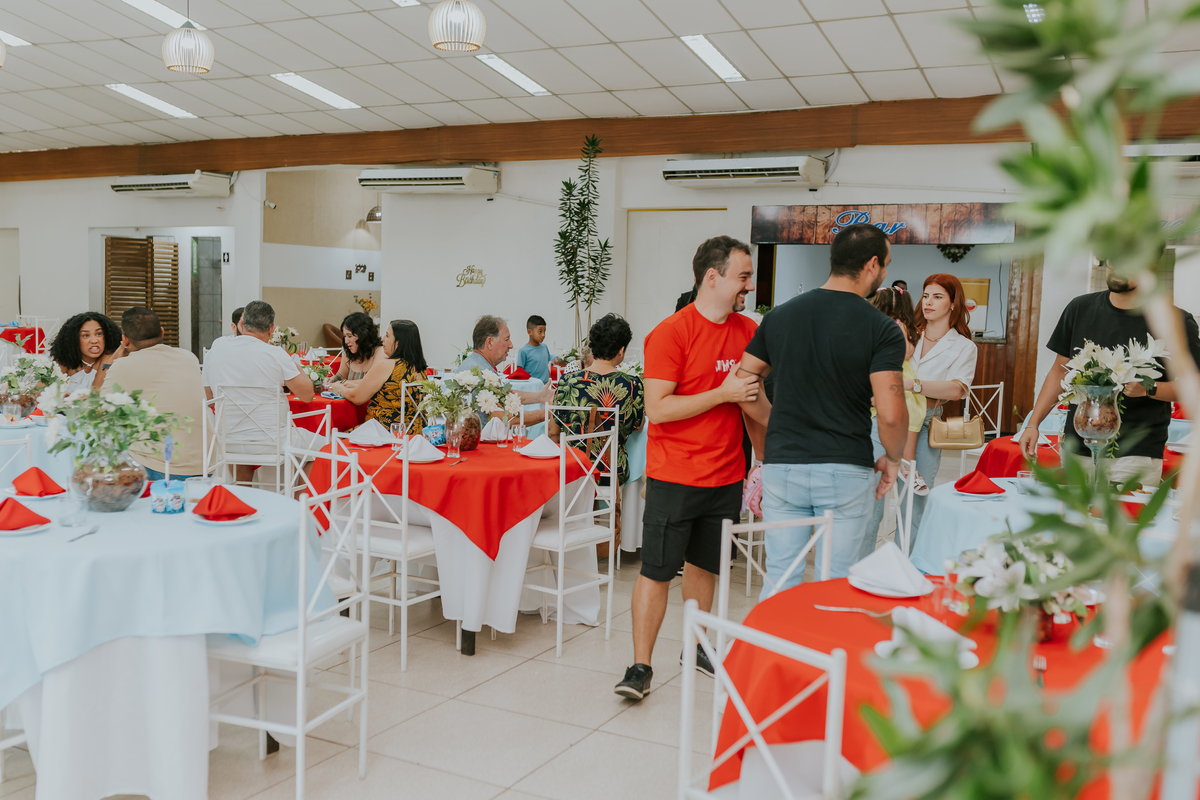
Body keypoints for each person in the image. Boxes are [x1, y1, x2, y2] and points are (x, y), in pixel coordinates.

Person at [614, 235, 762, 702]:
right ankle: (640, 665)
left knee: (705, 566)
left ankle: (696, 646)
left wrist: (769, 459)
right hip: (675, 475)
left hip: (725, 476)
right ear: (712, 277)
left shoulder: (747, 332)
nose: (749, 287)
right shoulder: (672, 332)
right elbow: (658, 409)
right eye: (743, 276)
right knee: (657, 570)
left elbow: (754, 404)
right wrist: (723, 393)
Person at [738, 224, 907, 595]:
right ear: (873, 264)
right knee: (836, 581)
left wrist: (776, 418)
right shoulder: (881, 329)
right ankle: (824, 654)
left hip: (783, 465)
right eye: (887, 264)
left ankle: (774, 653)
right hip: (844, 466)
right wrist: (893, 459)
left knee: (781, 575)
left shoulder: (779, 317)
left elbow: (743, 382)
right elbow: (892, 414)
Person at [1019, 266, 1200, 485]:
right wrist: (1033, 424)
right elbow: (1060, 369)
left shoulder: (1174, 321)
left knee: (1126, 520)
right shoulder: (1079, 308)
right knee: (1075, 518)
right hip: (1078, 447)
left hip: (1135, 454)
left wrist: (1149, 389)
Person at [859, 273, 979, 558]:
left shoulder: (964, 346)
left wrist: (914, 384)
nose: (928, 302)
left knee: (914, 501)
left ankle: (905, 566)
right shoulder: (904, 330)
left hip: (926, 423)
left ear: (953, 304)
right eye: (926, 295)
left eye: (938, 297)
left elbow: (957, 390)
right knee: (871, 496)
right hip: (885, 417)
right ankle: (859, 567)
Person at [201, 300, 317, 485]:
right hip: (272, 442)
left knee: (241, 454)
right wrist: (295, 367)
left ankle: (246, 496)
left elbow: (210, 399)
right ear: (271, 329)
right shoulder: (275, 353)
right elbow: (307, 395)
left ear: (241, 324)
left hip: (227, 440)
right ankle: (298, 504)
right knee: (324, 447)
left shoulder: (214, 353)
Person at [101, 307, 205, 480]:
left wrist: (112, 362)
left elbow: (101, 411)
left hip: (161, 467)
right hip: (205, 462)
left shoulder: (123, 366)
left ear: (125, 339)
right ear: (162, 332)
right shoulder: (189, 357)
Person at [548, 313, 644, 485]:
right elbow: (638, 425)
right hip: (612, 472)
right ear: (621, 350)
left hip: (571, 471)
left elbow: (553, 432)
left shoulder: (567, 381)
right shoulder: (632, 385)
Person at [871, 288, 930, 494]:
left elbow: (905, 351)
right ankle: (904, 465)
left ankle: (908, 467)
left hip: (899, 379)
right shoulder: (882, 325)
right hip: (886, 379)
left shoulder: (897, 326)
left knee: (912, 416)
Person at [333, 319, 429, 436]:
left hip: (384, 434)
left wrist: (337, 389)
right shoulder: (420, 369)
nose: (382, 339)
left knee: (332, 436)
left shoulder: (387, 365)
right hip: (417, 433)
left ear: (398, 342)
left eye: (387, 336)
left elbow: (356, 397)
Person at [459, 315, 553, 425]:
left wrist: (538, 397)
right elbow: (505, 418)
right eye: (506, 339)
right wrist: (550, 412)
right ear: (490, 343)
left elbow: (503, 396)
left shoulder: (476, 364)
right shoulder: (481, 373)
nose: (511, 345)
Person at [50, 312, 123, 393]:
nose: (94, 340)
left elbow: (95, 394)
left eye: (99, 334)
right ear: (74, 339)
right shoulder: (65, 361)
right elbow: (41, 389)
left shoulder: (108, 357)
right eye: (86, 335)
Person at [328, 312, 386, 386]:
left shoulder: (379, 352)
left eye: (349, 336)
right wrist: (329, 380)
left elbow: (371, 382)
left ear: (363, 335)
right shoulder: (348, 353)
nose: (346, 341)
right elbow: (340, 377)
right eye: (344, 336)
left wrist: (343, 383)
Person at [517, 315, 551, 384]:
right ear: (529, 332)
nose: (543, 335)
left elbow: (546, 367)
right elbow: (519, 372)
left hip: (545, 386)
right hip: (531, 387)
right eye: (540, 332)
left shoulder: (544, 347)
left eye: (544, 331)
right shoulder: (523, 351)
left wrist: (550, 382)